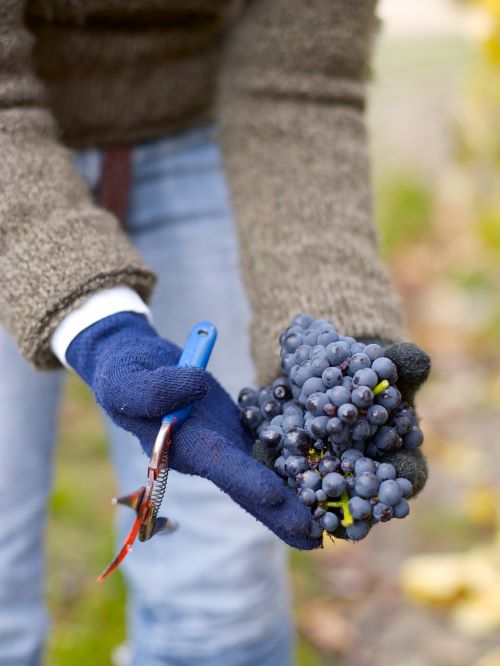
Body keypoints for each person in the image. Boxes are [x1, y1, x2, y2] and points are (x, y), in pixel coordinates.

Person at [1, 1, 430, 664]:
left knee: (225, 601)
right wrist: (98, 326)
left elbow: (300, 87)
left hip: (196, 128)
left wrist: (337, 338)